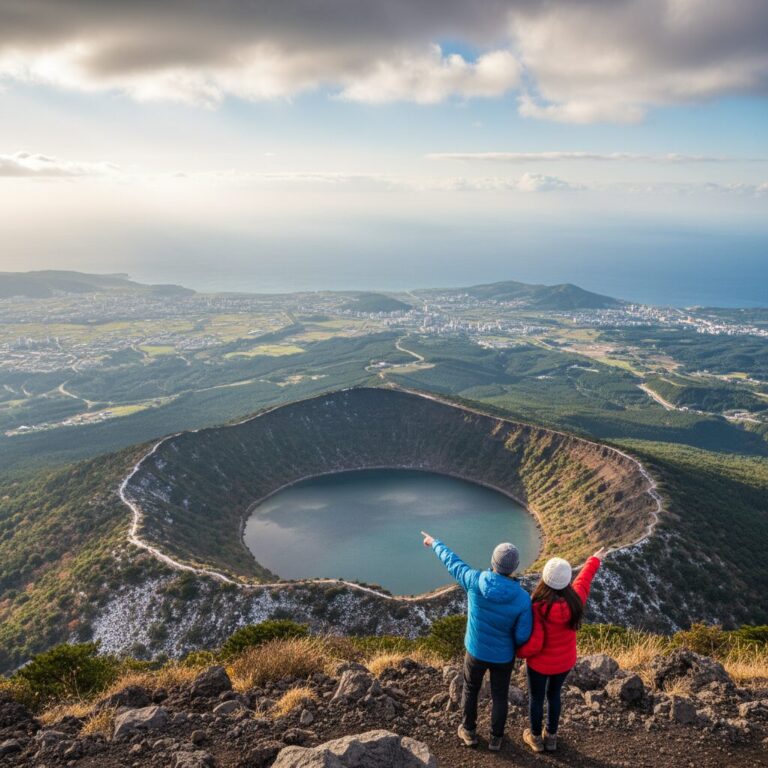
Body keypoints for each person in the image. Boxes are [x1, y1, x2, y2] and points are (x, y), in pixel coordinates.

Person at [421, 530, 532, 752]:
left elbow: (452, 561)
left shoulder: (473, 579)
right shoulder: (522, 598)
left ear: (493, 562)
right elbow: (522, 635)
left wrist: (434, 543)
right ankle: (496, 739)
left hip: (475, 651)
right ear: (515, 567)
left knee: (471, 689)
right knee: (500, 695)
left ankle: (469, 732)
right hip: (503, 656)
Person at [516, 547, 606, 753]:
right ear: (566, 581)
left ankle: (536, 738)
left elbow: (535, 643)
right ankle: (552, 736)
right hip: (564, 663)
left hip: (539, 664)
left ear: (544, 579)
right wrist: (594, 559)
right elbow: (584, 579)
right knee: (554, 695)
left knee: (536, 698)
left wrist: (519, 652)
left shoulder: (537, 607)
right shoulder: (575, 601)